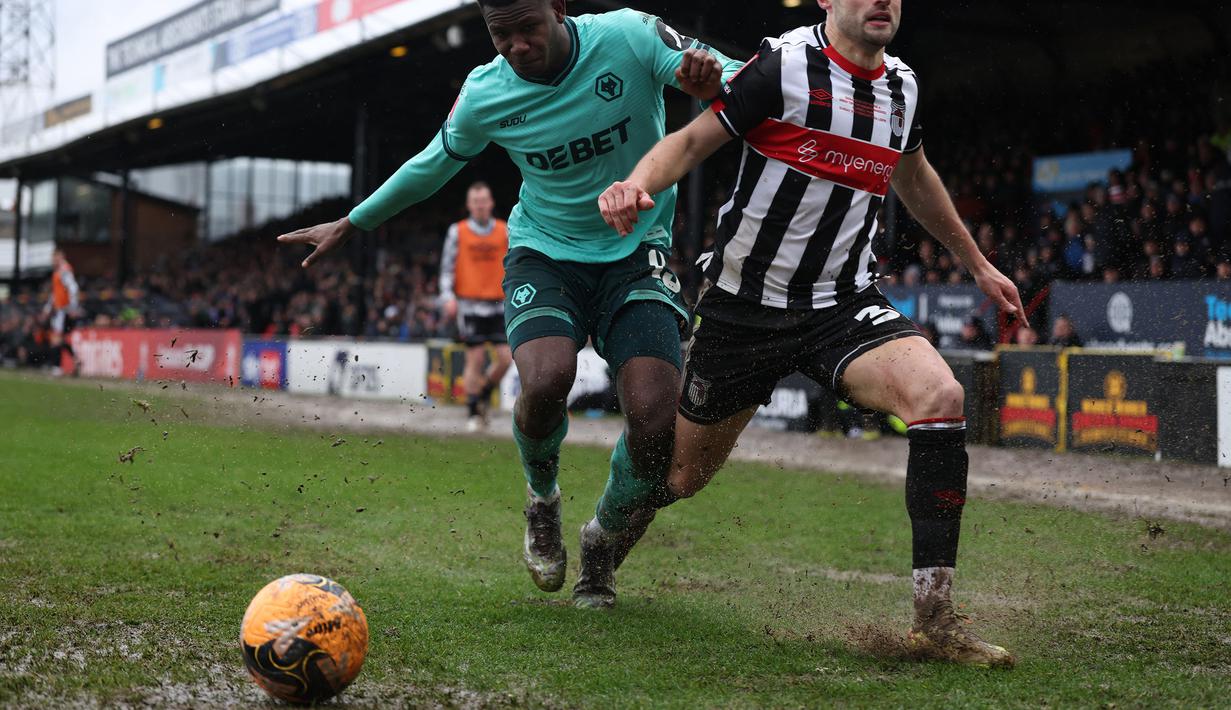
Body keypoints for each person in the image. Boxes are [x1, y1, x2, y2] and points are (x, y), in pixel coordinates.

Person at [598, 0, 1022, 666]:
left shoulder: (902, 87)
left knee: (938, 395)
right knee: (679, 477)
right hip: (743, 309)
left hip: (841, 302)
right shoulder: (781, 68)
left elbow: (913, 177)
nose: (881, 1)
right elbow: (689, 143)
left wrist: (976, 263)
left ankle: (934, 621)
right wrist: (633, 184)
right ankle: (603, 542)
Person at [276, 0, 741, 606]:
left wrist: (713, 81)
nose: (517, 46)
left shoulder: (628, 36)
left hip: (635, 253)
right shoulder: (484, 92)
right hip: (544, 254)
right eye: (502, 34)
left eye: (528, 29)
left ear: (558, 9)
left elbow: (737, 75)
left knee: (655, 422)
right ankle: (541, 498)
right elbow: (432, 164)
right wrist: (354, 220)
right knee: (547, 378)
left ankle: (603, 541)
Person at [439, 182, 514, 432]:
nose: (480, 206)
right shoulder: (457, 231)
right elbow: (447, 268)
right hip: (469, 305)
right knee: (476, 358)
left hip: (498, 304)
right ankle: (473, 412)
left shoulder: (505, 230)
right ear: (469, 205)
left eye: (484, 201)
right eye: (476, 202)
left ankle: (483, 393)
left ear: (490, 203)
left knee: (506, 358)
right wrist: (447, 297)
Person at [44, 248, 79, 374]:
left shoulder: (64, 270)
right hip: (59, 309)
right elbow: (55, 293)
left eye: (54, 258)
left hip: (64, 310)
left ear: (60, 257)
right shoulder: (58, 272)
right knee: (59, 339)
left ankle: (57, 367)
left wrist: (73, 308)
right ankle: (75, 359)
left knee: (56, 339)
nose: (52, 261)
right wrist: (48, 308)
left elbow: (73, 288)